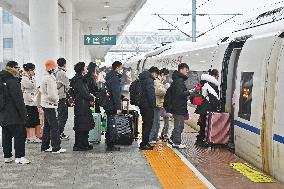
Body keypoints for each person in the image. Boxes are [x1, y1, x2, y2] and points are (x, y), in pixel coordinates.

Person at [0, 61, 30, 164]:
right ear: (12, 68)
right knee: (20, 134)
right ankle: (19, 157)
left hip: (3, 113)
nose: (19, 70)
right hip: (14, 113)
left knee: (6, 135)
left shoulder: (1, 78)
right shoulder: (12, 81)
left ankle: (7, 156)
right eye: (17, 68)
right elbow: (18, 100)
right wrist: (24, 114)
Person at [40, 60, 66, 154]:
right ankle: (56, 147)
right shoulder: (49, 79)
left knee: (47, 126)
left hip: (45, 104)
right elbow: (51, 95)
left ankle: (45, 146)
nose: (55, 69)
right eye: (54, 68)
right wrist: (57, 100)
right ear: (50, 68)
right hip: (49, 104)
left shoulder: (45, 77)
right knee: (54, 126)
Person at [71, 62, 95, 151]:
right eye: (85, 67)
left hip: (83, 104)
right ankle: (79, 145)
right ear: (82, 69)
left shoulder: (80, 78)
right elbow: (83, 93)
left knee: (84, 125)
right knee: (81, 125)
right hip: (81, 105)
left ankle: (84, 143)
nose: (86, 68)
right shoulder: (78, 80)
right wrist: (92, 97)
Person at [195, 69, 220, 147]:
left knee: (203, 125)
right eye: (218, 76)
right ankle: (200, 141)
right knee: (204, 126)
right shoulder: (210, 84)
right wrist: (218, 107)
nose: (218, 78)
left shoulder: (204, 83)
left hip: (202, 108)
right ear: (214, 76)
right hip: (206, 109)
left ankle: (200, 139)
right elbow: (214, 99)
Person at [168, 63, 190, 149]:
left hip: (177, 106)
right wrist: (189, 92)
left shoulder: (177, 80)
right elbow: (180, 94)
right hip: (178, 107)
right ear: (181, 70)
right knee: (179, 125)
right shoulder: (179, 81)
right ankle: (176, 143)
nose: (187, 72)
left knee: (179, 125)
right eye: (186, 70)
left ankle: (172, 139)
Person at [104, 61, 124, 151]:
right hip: (112, 104)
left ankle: (109, 141)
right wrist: (118, 108)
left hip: (109, 103)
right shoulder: (114, 78)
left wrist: (122, 97)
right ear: (117, 68)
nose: (121, 70)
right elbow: (116, 94)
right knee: (112, 124)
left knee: (110, 123)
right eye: (120, 68)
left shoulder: (110, 76)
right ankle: (111, 145)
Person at [138, 66, 159, 150]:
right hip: (148, 106)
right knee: (148, 124)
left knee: (145, 124)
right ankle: (144, 144)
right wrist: (153, 105)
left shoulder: (143, 78)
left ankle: (144, 143)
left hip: (143, 105)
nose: (156, 77)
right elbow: (150, 95)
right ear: (153, 72)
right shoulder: (149, 80)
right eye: (156, 75)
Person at [21, 63, 41, 143]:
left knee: (35, 119)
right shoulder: (24, 78)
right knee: (31, 120)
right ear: (29, 70)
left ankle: (33, 137)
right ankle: (30, 137)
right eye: (33, 70)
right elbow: (31, 86)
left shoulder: (30, 77)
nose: (34, 72)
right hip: (28, 102)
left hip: (33, 101)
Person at [149, 68, 168, 144]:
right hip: (156, 104)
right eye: (166, 76)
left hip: (158, 104)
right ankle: (151, 138)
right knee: (155, 122)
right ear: (162, 74)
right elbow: (159, 91)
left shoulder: (159, 81)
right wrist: (166, 90)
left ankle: (154, 137)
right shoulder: (157, 81)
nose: (166, 78)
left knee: (156, 122)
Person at [56, 58, 70, 141]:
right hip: (61, 97)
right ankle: (59, 133)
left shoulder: (56, 72)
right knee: (63, 116)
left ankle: (59, 132)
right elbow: (67, 85)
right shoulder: (62, 73)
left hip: (57, 96)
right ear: (64, 64)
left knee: (60, 115)